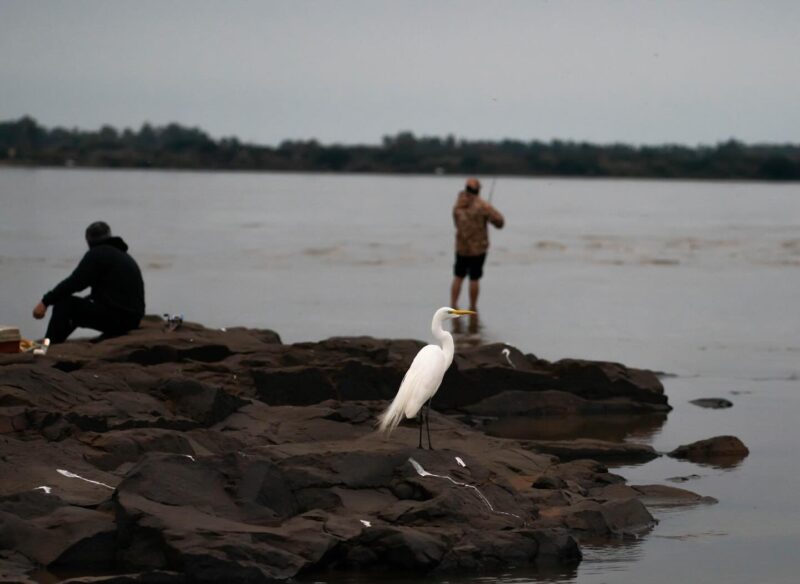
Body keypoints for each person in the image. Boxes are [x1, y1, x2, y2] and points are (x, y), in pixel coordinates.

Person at [32, 221, 145, 343]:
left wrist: (45, 301)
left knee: (65, 304)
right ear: (109, 236)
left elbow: (75, 282)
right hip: (132, 319)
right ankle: (56, 343)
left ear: (88, 241)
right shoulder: (122, 255)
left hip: (119, 320)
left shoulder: (97, 254)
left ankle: (48, 347)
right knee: (79, 305)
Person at [450, 178, 504, 312]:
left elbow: (456, 223)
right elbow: (500, 222)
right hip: (478, 249)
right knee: (474, 278)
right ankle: (473, 307)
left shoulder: (457, 206)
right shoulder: (482, 205)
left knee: (458, 276)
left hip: (461, 247)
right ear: (478, 190)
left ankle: (453, 305)